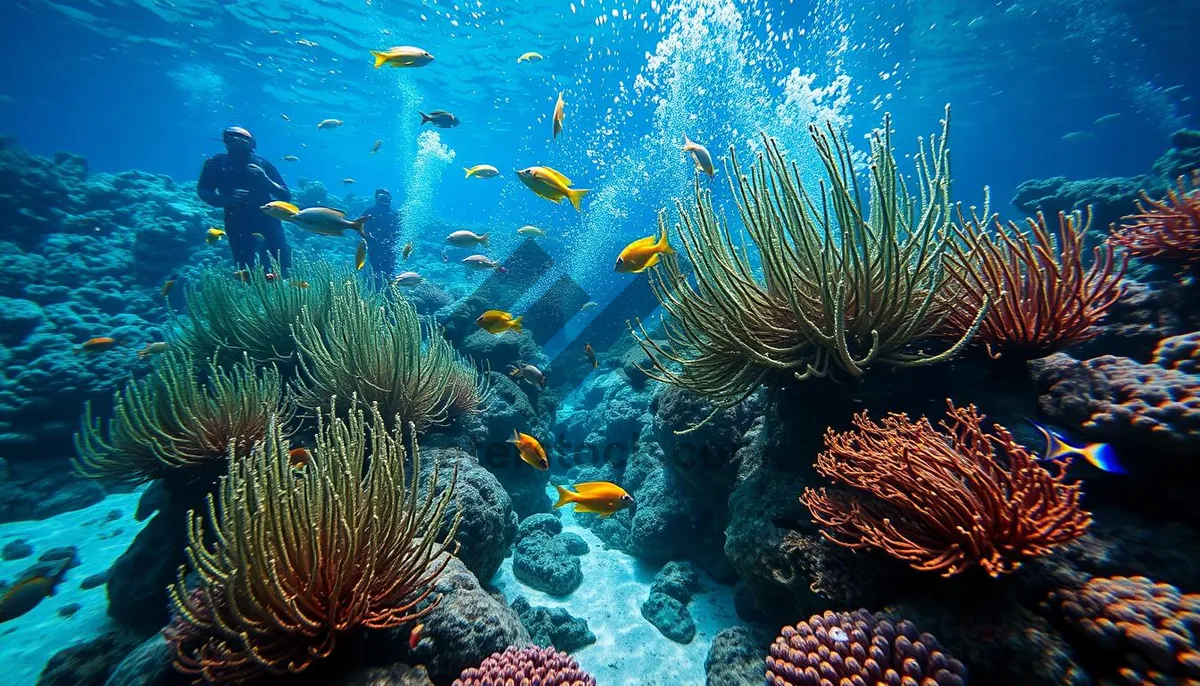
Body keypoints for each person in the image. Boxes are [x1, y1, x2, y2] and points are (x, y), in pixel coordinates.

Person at [197, 127, 292, 271]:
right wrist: (227, 200)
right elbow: (204, 191)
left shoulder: (263, 165)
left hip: (267, 219)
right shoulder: (216, 163)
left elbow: (285, 196)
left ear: (252, 143)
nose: (238, 141)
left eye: (243, 138)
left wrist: (266, 180)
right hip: (236, 221)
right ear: (226, 141)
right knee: (244, 266)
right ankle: (250, 289)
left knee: (281, 263)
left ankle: (283, 287)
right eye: (233, 138)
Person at [361, 188, 401, 280]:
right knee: (372, 271)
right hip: (373, 245)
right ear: (376, 198)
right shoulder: (370, 210)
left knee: (389, 273)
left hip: (389, 247)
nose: (384, 200)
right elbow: (360, 224)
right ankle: (370, 290)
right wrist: (367, 236)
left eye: (386, 197)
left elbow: (398, 232)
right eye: (381, 197)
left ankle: (389, 290)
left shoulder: (394, 213)